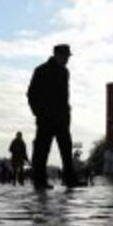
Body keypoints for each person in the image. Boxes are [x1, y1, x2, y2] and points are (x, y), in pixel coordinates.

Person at [27, 44, 79, 189]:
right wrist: (39, 112)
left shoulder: (65, 72)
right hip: (46, 118)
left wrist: (67, 111)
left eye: (68, 57)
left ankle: (69, 179)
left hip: (62, 118)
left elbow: (64, 96)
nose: (67, 59)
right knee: (42, 150)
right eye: (65, 56)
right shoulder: (41, 70)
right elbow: (31, 94)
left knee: (66, 149)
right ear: (57, 55)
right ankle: (39, 181)